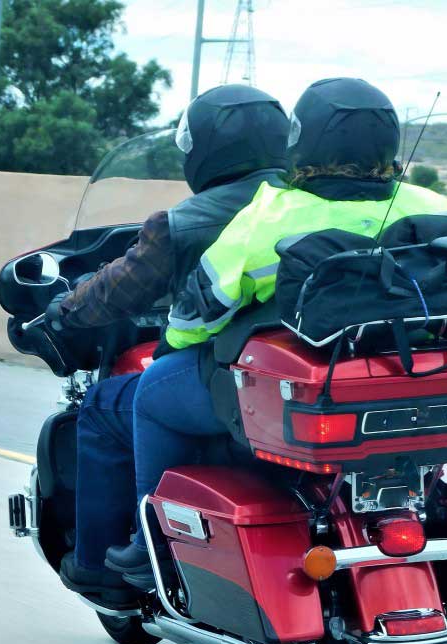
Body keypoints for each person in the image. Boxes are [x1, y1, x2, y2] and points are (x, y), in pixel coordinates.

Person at [103, 77, 447, 575]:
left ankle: (151, 545)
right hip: (410, 382)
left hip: (307, 387)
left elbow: (201, 309)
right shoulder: (436, 208)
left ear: (302, 139)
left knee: (153, 391)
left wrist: (173, 346)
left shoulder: (271, 215)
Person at [47, 84, 291, 599]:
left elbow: (119, 288)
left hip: (225, 378)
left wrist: (66, 310)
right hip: (299, 372)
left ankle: (105, 563)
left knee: (105, 406)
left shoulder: (184, 223)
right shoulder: (305, 205)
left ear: (203, 149)